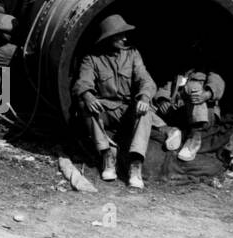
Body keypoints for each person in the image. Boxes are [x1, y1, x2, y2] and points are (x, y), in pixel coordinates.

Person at [72, 14, 157, 189]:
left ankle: (135, 164)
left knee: (146, 110)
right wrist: (88, 95)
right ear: (108, 38)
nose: (124, 38)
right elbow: (82, 82)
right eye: (119, 35)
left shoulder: (132, 54)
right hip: (106, 109)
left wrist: (144, 97)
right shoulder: (92, 58)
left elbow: (145, 79)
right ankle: (107, 155)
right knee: (84, 105)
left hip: (128, 109)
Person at [153, 47, 225, 163]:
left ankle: (194, 138)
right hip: (182, 115)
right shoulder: (179, 74)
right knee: (146, 106)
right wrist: (162, 100)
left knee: (194, 88)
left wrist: (207, 94)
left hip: (204, 115)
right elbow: (164, 88)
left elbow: (218, 83)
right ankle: (171, 131)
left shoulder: (207, 71)